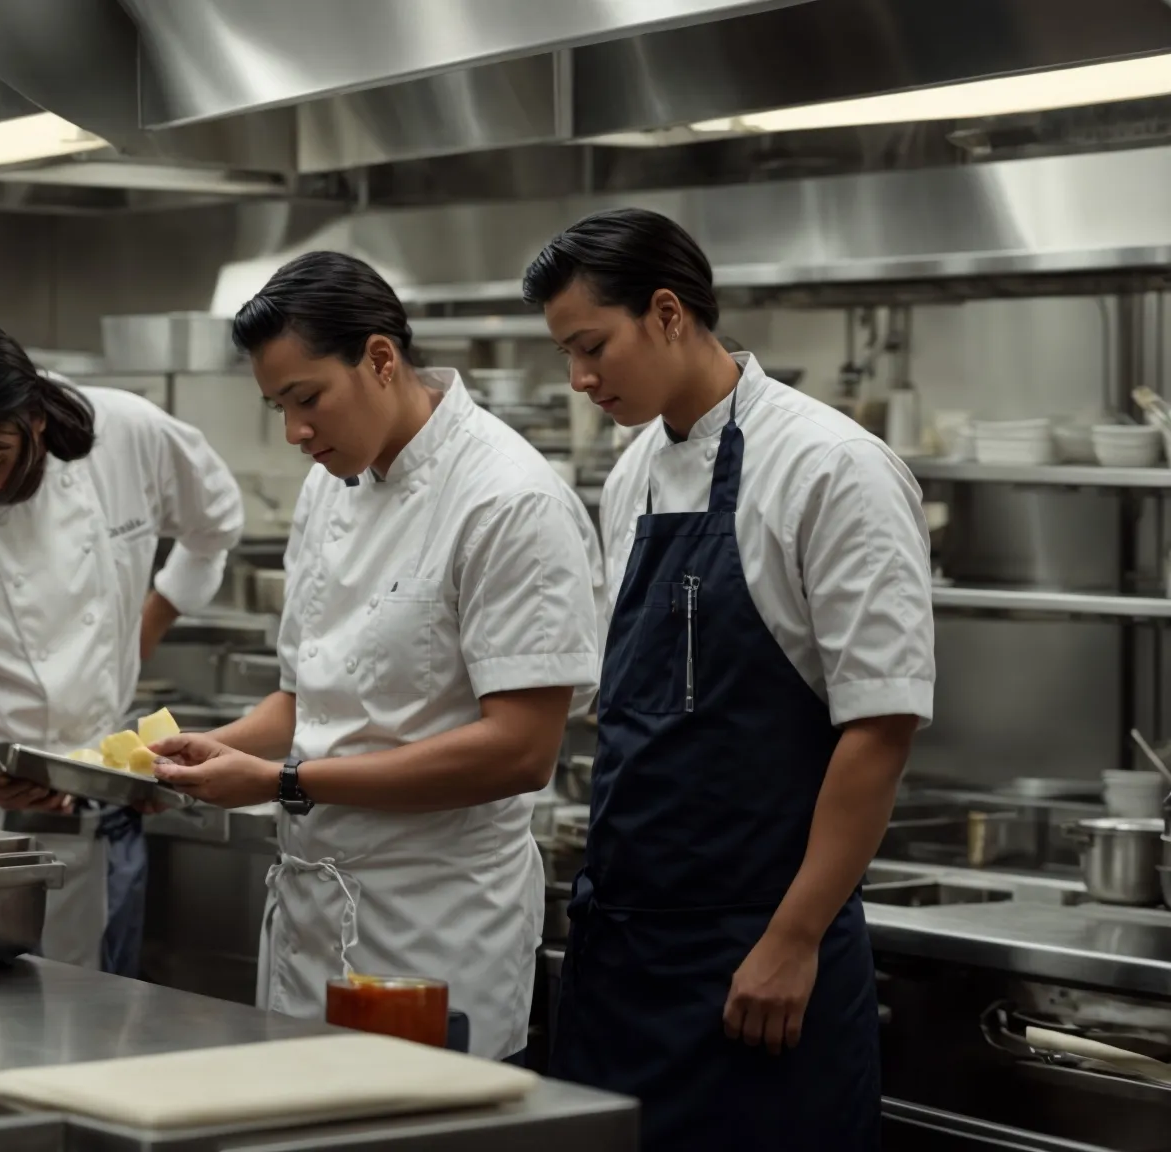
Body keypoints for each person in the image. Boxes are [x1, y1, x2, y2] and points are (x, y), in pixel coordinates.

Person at [524, 208, 932, 1150]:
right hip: (624, 954)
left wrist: (792, 942)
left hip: (757, 952)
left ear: (668, 312)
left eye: (593, 346)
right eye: (566, 356)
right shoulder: (630, 475)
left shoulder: (831, 468)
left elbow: (882, 725)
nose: (581, 380)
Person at [148, 251, 603, 1060]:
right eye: (277, 408)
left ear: (381, 359)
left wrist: (283, 780)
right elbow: (308, 698)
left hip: (434, 927)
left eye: (307, 399)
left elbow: (522, 752)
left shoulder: (508, 500)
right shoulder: (333, 484)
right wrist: (218, 750)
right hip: (314, 913)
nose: (295, 433)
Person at [0, 321, 244, 971]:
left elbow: (217, 522)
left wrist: (145, 625)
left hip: (100, 803)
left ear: (34, 417)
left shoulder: (128, 433)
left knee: (97, 1025)